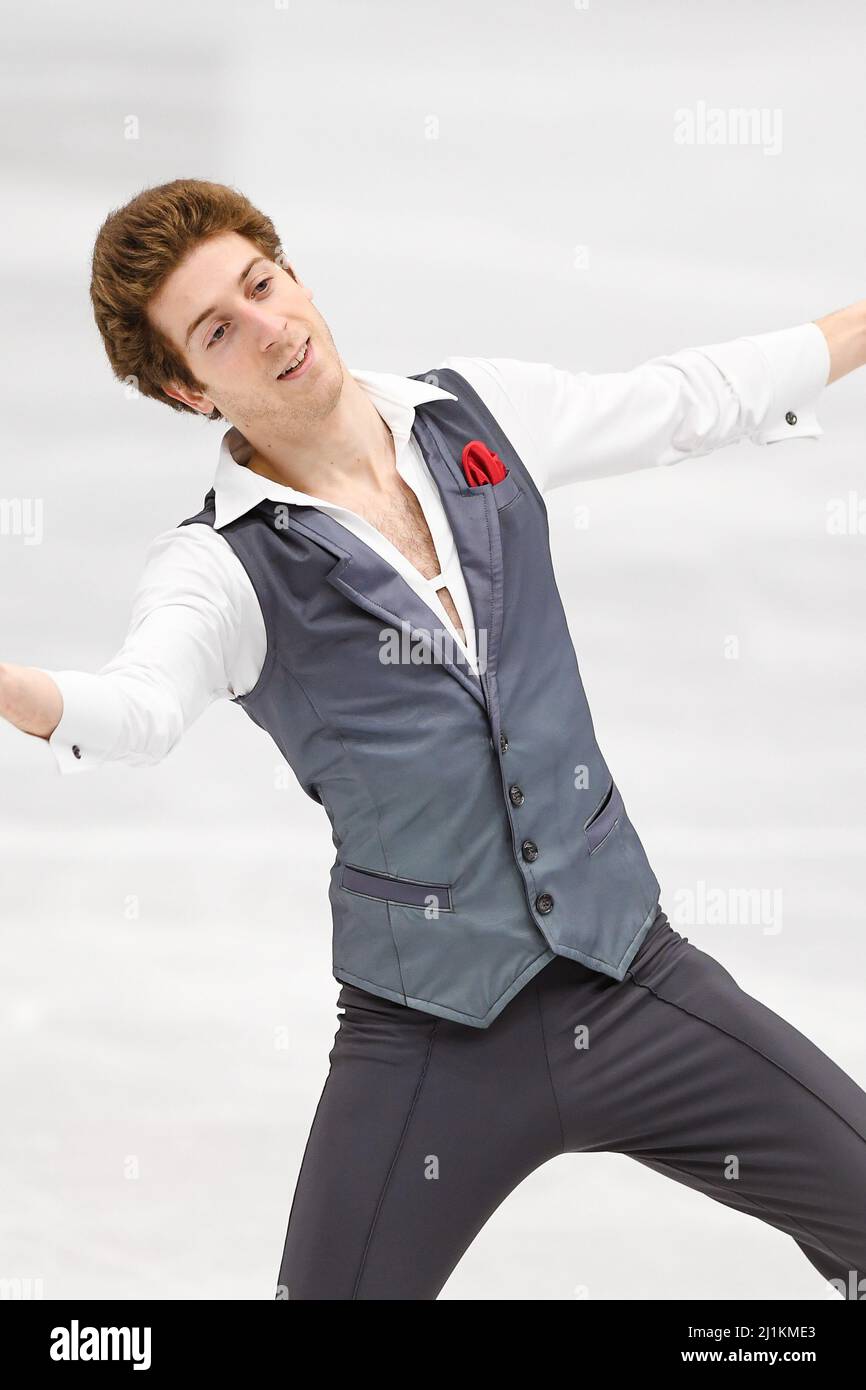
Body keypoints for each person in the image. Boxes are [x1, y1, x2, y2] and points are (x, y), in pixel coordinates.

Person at [3, 178, 866, 1301]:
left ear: (292, 271)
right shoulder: (218, 570)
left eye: (263, 285)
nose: (269, 327)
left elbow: (689, 397)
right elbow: (135, 710)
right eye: (217, 329)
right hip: (431, 1041)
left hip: (629, 979)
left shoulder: (479, 415)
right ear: (185, 384)